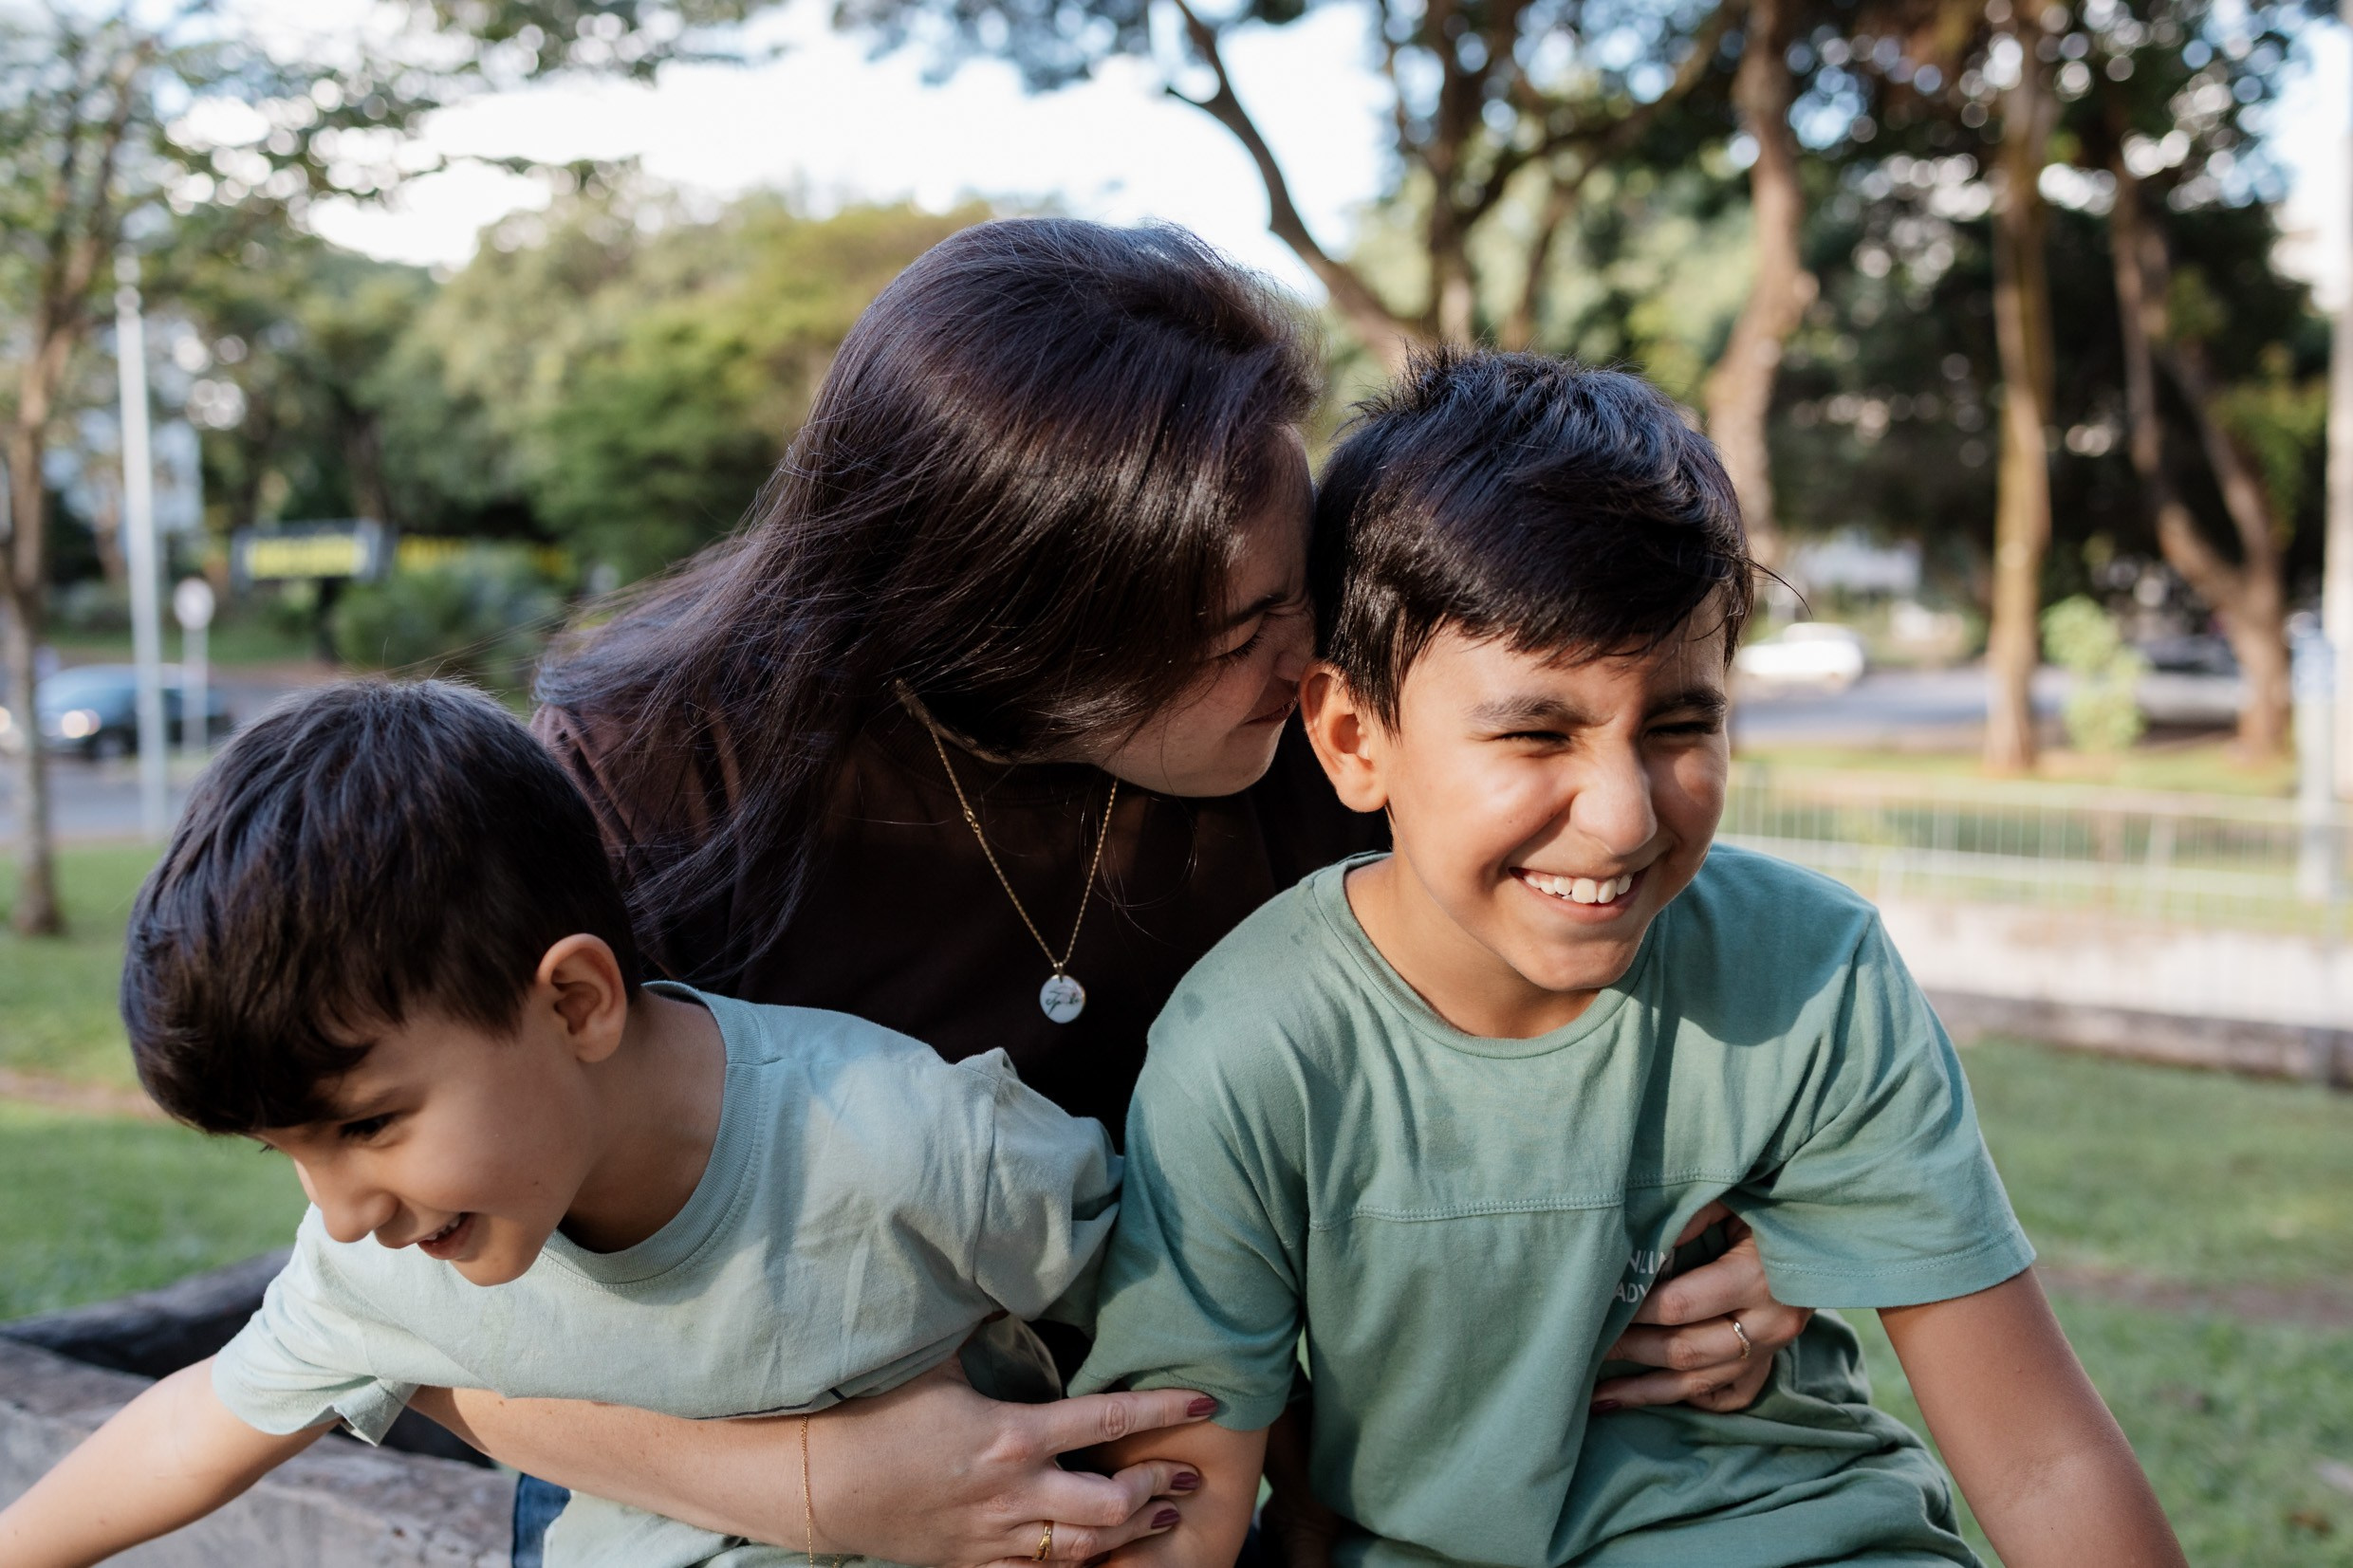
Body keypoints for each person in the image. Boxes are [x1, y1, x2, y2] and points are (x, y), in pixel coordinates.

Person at [407, 219, 1815, 1565]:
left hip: (1166, 1480)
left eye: (1301, 589)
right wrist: (837, 1487)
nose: (1308, 660)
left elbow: (1637, 996)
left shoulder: (1310, 741)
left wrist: (1775, 1255)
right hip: (709, 1476)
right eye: (1234, 629)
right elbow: (395, 1319)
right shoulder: (650, 774)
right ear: (1003, 628)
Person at [1073, 351, 2189, 1568]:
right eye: (1533, 731)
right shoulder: (1246, 1047)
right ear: (1352, 738)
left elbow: (2040, 1462)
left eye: (1679, 724)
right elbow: (1181, 1509)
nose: (1621, 816)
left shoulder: (1811, 972)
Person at [0, 679, 1192, 1568]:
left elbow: (1191, 1313)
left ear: (574, 1002)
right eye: (289, 1154)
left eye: (367, 1126)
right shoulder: (398, 1261)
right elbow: (200, 1423)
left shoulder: (906, 1145)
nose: (342, 1214)